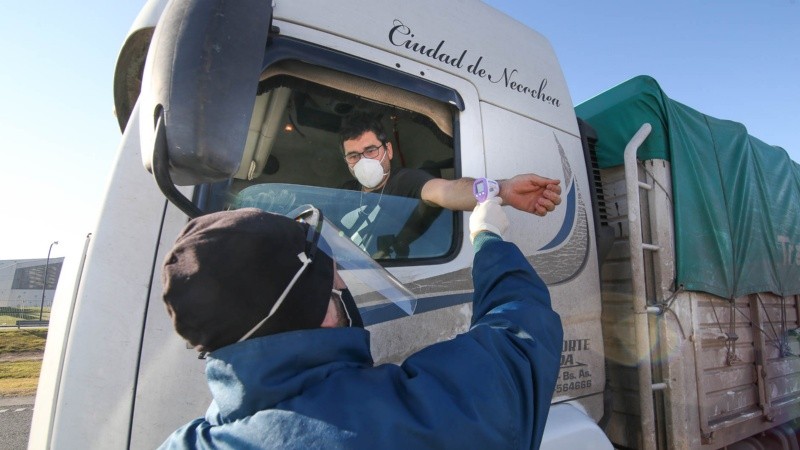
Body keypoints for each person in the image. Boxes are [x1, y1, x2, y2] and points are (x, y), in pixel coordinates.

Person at [158, 205, 563, 449]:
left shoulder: (194, 437)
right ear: (305, 316)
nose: (345, 294)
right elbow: (518, 346)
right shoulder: (368, 429)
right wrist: (488, 238)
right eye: (335, 292)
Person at [339, 112, 562, 216]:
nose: (364, 161)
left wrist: (503, 189)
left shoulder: (406, 181)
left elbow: (447, 191)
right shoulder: (343, 192)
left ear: (388, 150)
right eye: (354, 155)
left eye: (370, 150)